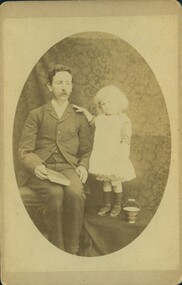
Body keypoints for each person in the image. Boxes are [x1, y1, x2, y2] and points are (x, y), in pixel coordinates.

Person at [18, 64, 93, 254]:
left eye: (68, 83)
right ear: (50, 86)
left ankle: (72, 249)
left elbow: (86, 150)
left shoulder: (78, 116)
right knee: (55, 193)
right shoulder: (37, 114)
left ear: (72, 87)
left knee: (75, 193)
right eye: (59, 82)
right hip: (43, 168)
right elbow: (25, 150)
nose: (64, 87)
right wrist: (36, 166)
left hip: (68, 168)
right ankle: (57, 249)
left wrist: (83, 166)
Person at [73, 85, 136, 218]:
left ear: (118, 103)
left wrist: (123, 154)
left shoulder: (122, 120)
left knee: (115, 181)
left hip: (116, 156)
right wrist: (85, 111)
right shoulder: (101, 118)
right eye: (103, 104)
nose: (107, 106)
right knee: (106, 181)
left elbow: (126, 138)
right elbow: (92, 121)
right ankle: (107, 204)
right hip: (103, 156)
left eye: (110, 102)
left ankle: (117, 205)